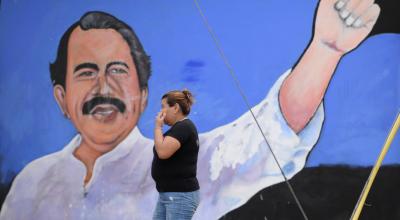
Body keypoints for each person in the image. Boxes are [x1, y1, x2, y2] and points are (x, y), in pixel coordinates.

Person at [0, 0, 380, 219]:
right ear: (61, 98)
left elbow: (265, 139)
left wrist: (325, 50)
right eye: (86, 72)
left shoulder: (180, 167)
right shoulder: (31, 186)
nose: (103, 88)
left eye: (118, 70)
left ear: (143, 94)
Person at [152, 89, 200, 219]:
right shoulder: (179, 128)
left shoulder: (183, 127)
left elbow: (162, 151)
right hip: (169, 194)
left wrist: (158, 127)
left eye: (163, 107)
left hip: (180, 195)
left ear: (175, 108)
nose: (161, 112)